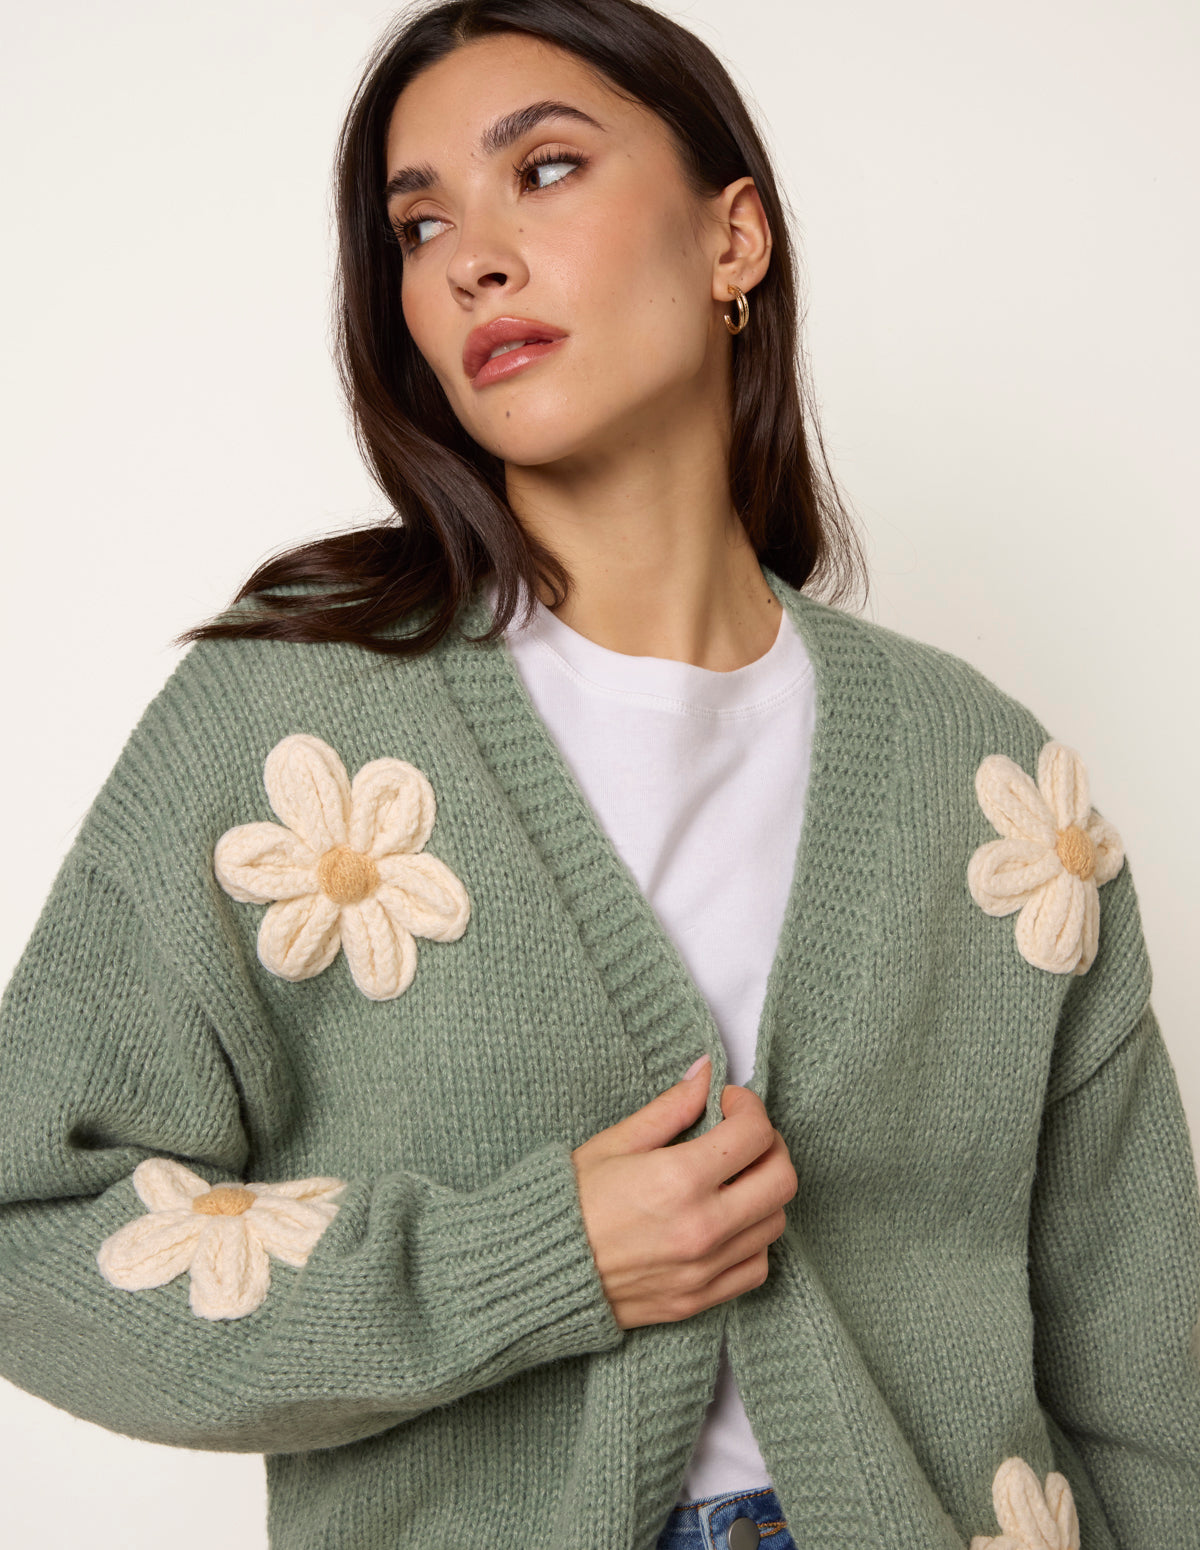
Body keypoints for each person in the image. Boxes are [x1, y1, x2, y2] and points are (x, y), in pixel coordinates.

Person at [1, 1, 1197, 1547]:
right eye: (420, 225)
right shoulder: (299, 727)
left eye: (546, 170)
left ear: (732, 239)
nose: (471, 261)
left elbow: (1150, 1390)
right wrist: (529, 1257)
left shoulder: (994, 788)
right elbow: (29, 1214)